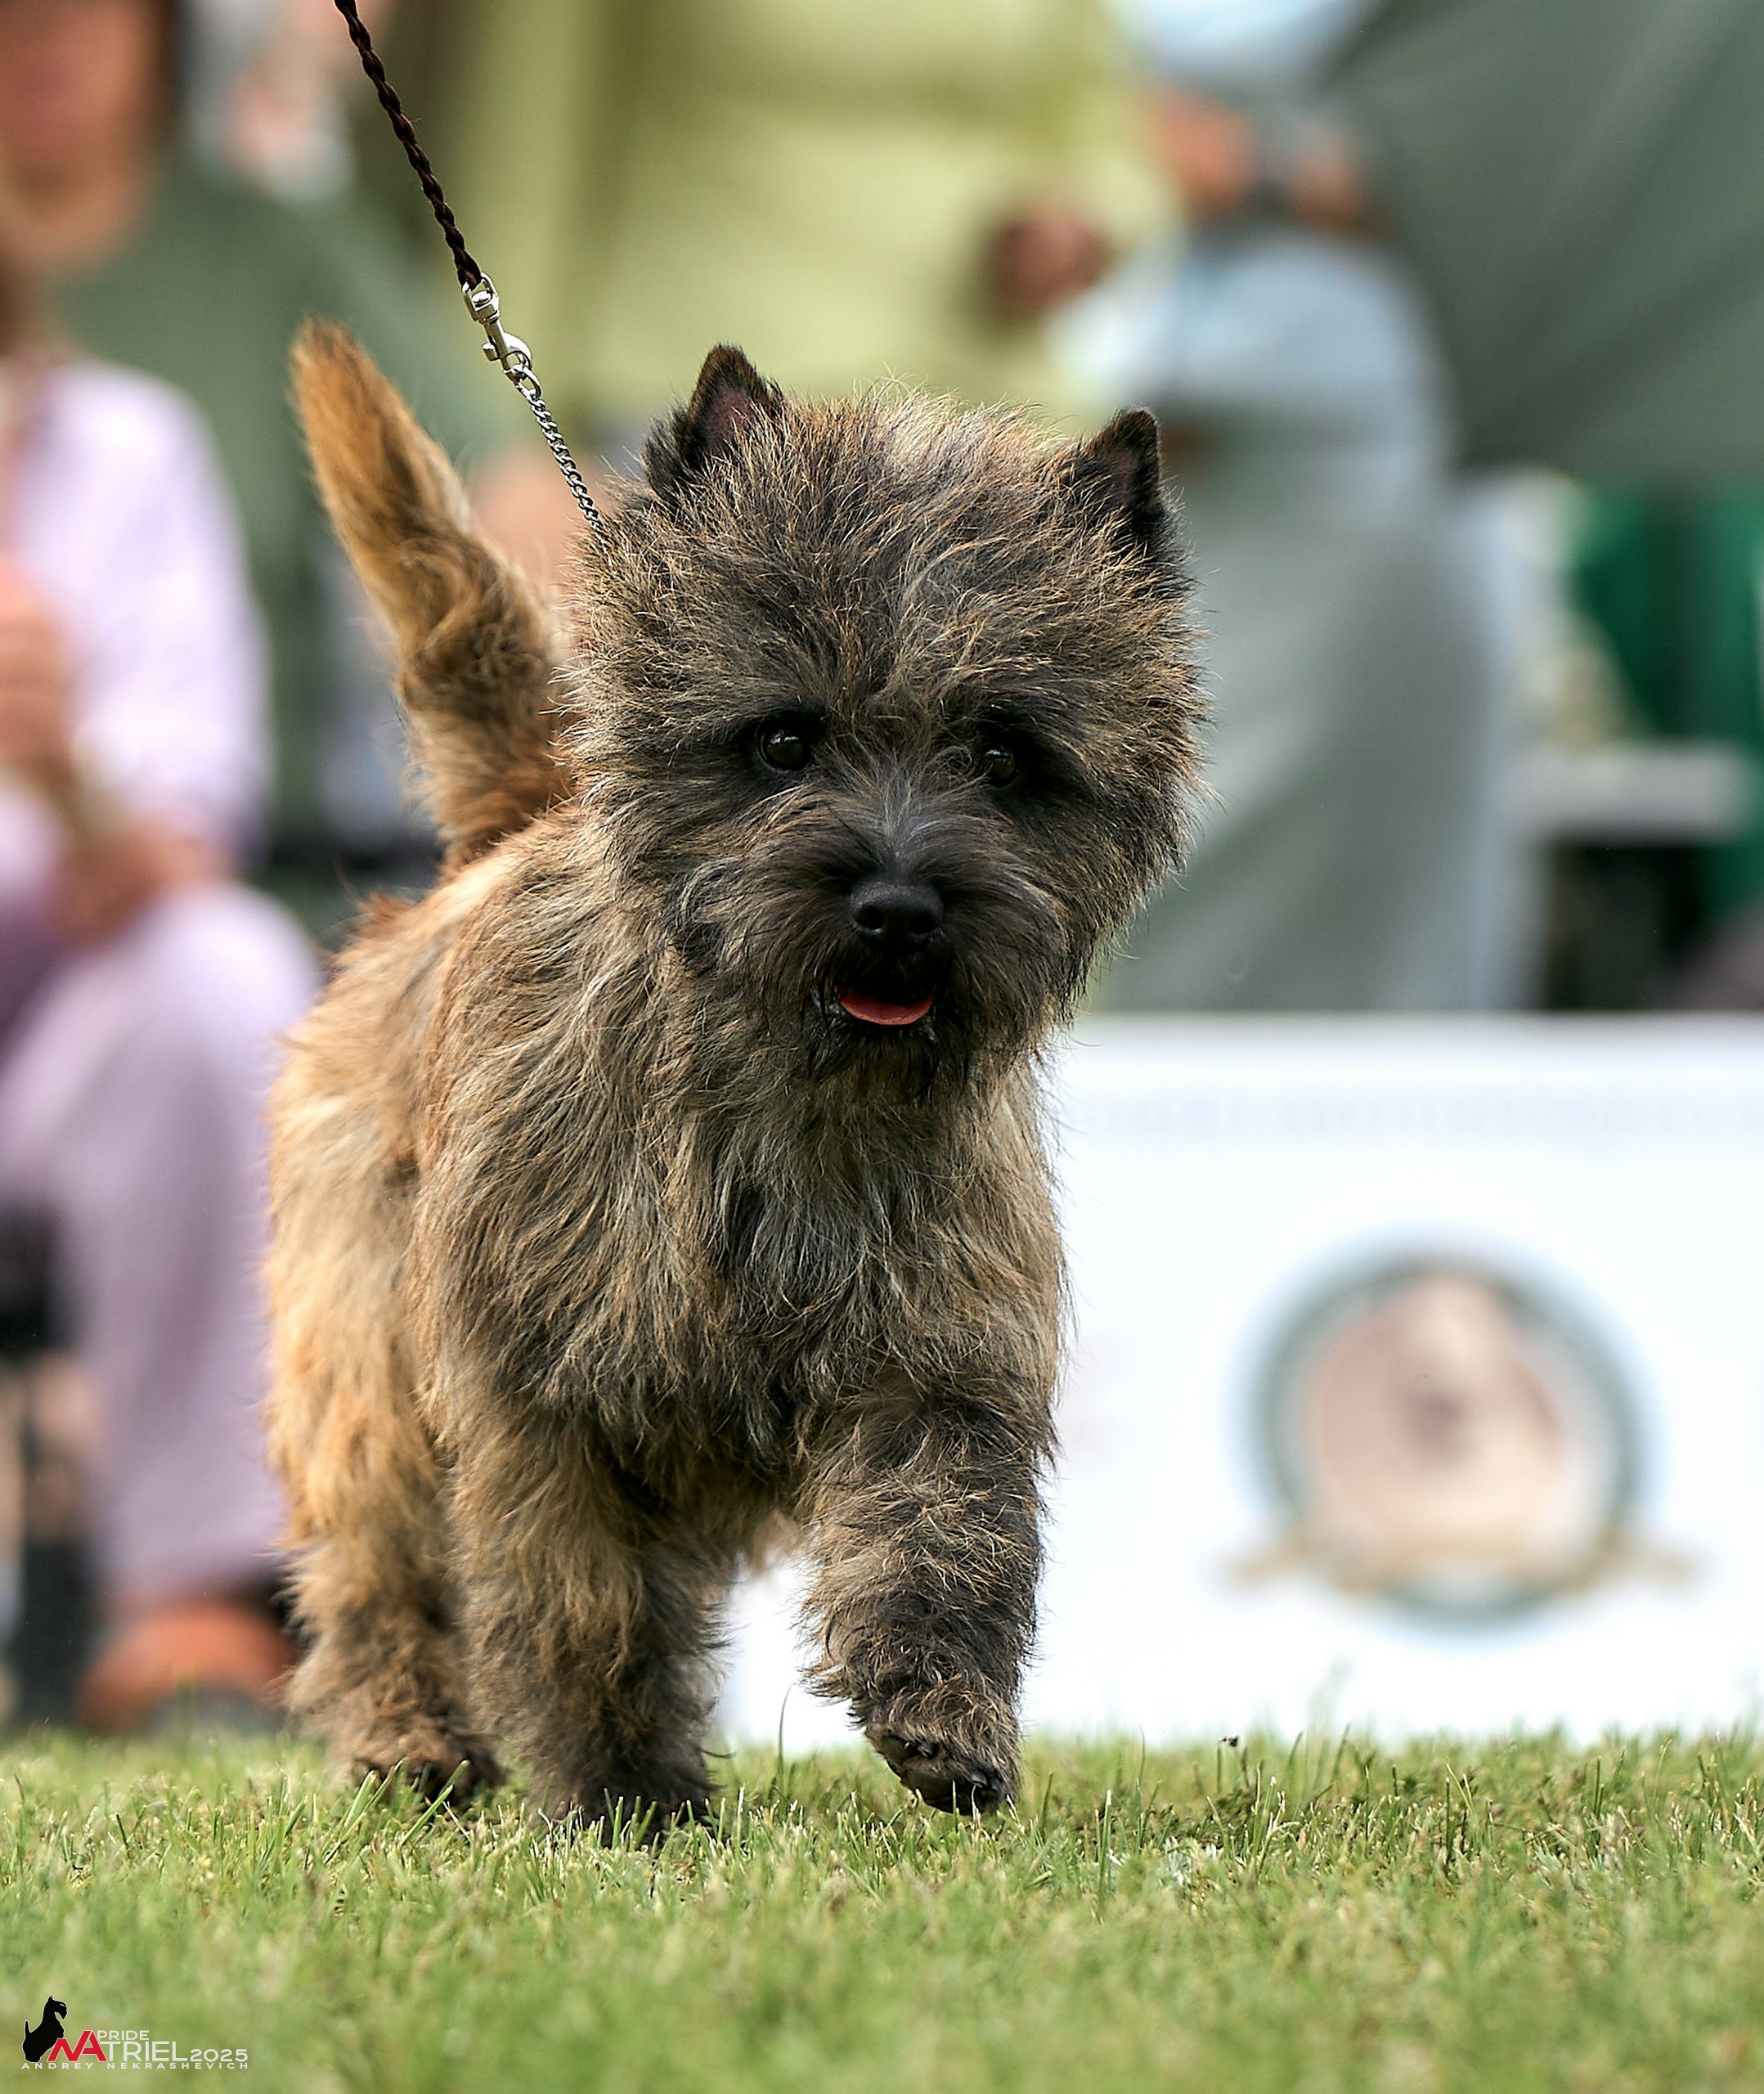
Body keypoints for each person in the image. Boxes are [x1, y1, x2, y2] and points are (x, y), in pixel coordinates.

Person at [0, 0, 573, 923]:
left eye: (87, 8)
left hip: (229, 886)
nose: (45, 36)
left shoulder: (272, 256)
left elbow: (506, 512)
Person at [0, 227, 315, 1728]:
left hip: (51, 1053)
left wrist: (62, 768)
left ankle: (197, 1594)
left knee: (222, 972)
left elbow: (185, 840)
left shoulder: (128, 454)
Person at [1070, 0, 1528, 1009]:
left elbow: (1532, 171)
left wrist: (1246, 172)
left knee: (1374, 907)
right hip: (1147, 475)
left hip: (1378, 474)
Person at [370, 0, 1166, 446]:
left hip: (996, 410)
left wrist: (1090, 224)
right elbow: (521, 156)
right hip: (709, 420)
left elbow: (1108, 139)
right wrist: (496, 440)